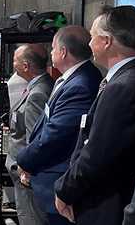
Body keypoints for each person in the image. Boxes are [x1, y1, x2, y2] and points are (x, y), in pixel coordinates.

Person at [54, 6, 135, 225]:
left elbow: (96, 153)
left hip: (105, 202)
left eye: (92, 37)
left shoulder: (123, 86)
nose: (89, 44)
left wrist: (64, 191)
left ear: (106, 41)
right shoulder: (127, 79)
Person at [16, 25, 101, 225]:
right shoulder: (67, 80)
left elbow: (57, 134)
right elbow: (46, 122)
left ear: (63, 52)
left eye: (53, 48)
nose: (51, 53)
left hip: (59, 179)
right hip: (47, 174)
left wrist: (25, 160)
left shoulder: (81, 84)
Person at [6, 45, 53, 225]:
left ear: (25, 66)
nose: (13, 64)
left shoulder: (38, 93)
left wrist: (25, 169)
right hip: (24, 169)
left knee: (30, 218)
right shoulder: (37, 86)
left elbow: (35, 137)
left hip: (26, 172)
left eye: (15, 61)